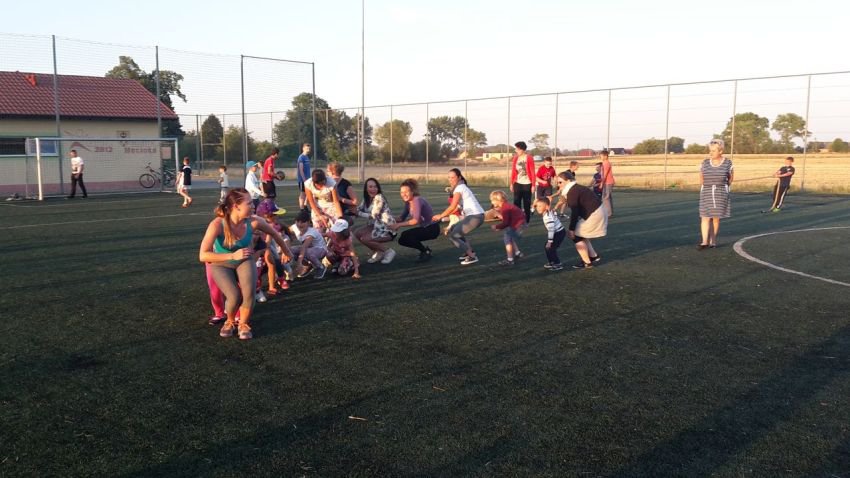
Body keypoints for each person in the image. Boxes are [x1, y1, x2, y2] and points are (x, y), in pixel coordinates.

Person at [198, 188, 292, 340]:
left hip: (244, 260)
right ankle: (229, 321)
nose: (253, 206)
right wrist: (232, 255)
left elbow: (274, 233)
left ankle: (243, 324)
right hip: (221, 264)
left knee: (249, 294)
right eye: (249, 203)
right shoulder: (217, 224)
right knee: (234, 296)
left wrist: (286, 251)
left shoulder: (254, 222)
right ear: (236, 206)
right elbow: (203, 255)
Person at [433, 168, 486, 266]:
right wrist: (445, 216)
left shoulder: (459, 188)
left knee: (454, 236)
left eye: (453, 177)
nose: (450, 179)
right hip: (476, 216)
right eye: (449, 177)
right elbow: (456, 208)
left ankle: (472, 256)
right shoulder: (461, 187)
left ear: (459, 177)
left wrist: (441, 216)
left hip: (475, 216)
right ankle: (469, 251)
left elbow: (452, 206)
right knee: (453, 229)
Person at [557, 171, 607, 269]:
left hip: (595, 214)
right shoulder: (575, 188)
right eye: (557, 182)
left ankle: (587, 262)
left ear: (568, 181)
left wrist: (571, 229)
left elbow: (575, 212)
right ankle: (593, 256)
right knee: (581, 234)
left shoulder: (572, 191)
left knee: (576, 236)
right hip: (598, 211)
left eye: (560, 182)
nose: (558, 185)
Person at [389, 178, 440, 262]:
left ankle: (425, 252)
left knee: (406, 236)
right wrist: (386, 218)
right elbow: (401, 218)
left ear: (412, 192)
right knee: (402, 239)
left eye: (406, 192)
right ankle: (425, 250)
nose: (403, 194)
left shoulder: (417, 200)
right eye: (401, 192)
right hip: (425, 228)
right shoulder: (408, 202)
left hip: (432, 229)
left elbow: (415, 220)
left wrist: (398, 225)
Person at [698, 139, 733, 249]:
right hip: (706, 192)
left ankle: (713, 240)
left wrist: (723, 185)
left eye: (713, 151)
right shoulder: (705, 163)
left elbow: (730, 178)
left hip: (720, 192)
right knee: (705, 217)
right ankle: (704, 242)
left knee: (715, 218)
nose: (711, 153)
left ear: (720, 151)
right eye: (710, 150)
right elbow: (701, 177)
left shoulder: (728, 163)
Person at [355, 177, 396, 264]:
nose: (373, 189)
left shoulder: (379, 198)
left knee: (365, 239)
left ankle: (388, 251)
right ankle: (378, 252)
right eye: (370, 187)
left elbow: (373, 215)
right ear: (366, 188)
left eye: (375, 187)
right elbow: (359, 209)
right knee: (358, 233)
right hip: (377, 226)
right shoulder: (366, 198)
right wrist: (353, 212)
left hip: (387, 228)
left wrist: (357, 213)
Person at [255, 199, 292, 296]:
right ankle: (256, 285)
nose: (277, 217)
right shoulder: (256, 223)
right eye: (274, 215)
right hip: (256, 247)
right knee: (257, 266)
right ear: (266, 216)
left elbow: (268, 241)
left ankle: (277, 281)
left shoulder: (271, 225)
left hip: (266, 245)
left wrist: (284, 251)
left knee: (274, 261)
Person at [489, 190, 526, 266]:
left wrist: (496, 226)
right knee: (510, 237)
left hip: (517, 224)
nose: (492, 202)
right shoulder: (506, 205)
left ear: (498, 200)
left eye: (492, 200)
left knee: (507, 239)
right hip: (520, 223)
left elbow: (505, 223)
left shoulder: (505, 208)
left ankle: (510, 259)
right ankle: (518, 253)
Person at [290, 209, 328, 279]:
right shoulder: (294, 227)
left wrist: (299, 263)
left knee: (307, 252)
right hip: (308, 249)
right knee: (290, 250)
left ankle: (320, 267)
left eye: (302, 222)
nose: (299, 224)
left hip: (321, 250)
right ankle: (308, 265)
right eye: (297, 221)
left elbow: (304, 247)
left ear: (308, 223)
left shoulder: (311, 232)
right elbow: (286, 232)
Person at [535, 197, 566, 271]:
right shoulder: (548, 212)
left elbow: (551, 230)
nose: (538, 208)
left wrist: (550, 241)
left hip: (559, 233)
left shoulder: (548, 217)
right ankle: (552, 262)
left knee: (551, 248)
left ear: (546, 207)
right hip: (558, 232)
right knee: (548, 247)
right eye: (537, 206)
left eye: (540, 206)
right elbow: (552, 210)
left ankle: (557, 264)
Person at [509, 141, 536, 223]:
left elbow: (532, 172)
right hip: (517, 183)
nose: (515, 150)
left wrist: (533, 185)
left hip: (527, 184)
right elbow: (513, 171)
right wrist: (511, 183)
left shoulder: (529, 158)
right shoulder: (515, 158)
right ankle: (517, 220)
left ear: (522, 149)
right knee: (516, 202)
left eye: (517, 149)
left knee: (526, 203)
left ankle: (526, 220)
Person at [599, 149, 615, 217]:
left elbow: (605, 174)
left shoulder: (606, 163)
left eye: (601, 156)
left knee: (606, 197)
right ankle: (610, 212)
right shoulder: (604, 163)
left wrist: (602, 183)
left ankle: (608, 213)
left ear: (605, 156)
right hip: (607, 182)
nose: (600, 157)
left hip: (608, 182)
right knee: (607, 197)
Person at [296, 143, 312, 209]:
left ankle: (305, 206)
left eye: (309, 149)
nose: (308, 150)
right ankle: (302, 208)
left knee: (309, 193)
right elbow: (301, 170)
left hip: (308, 179)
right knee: (302, 193)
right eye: (307, 148)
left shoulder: (307, 157)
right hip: (303, 180)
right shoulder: (301, 157)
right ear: (303, 149)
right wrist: (304, 180)